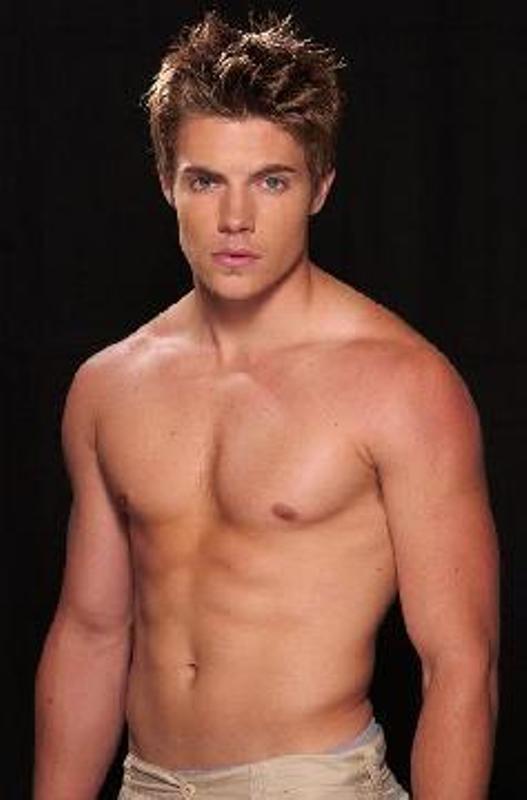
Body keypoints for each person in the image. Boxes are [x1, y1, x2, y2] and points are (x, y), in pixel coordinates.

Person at [34, 11, 499, 800]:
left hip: (310, 782)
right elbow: (92, 631)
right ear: (167, 183)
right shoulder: (108, 385)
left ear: (320, 188)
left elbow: (460, 663)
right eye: (206, 180)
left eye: (271, 181)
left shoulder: (403, 385)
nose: (235, 219)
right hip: (147, 782)